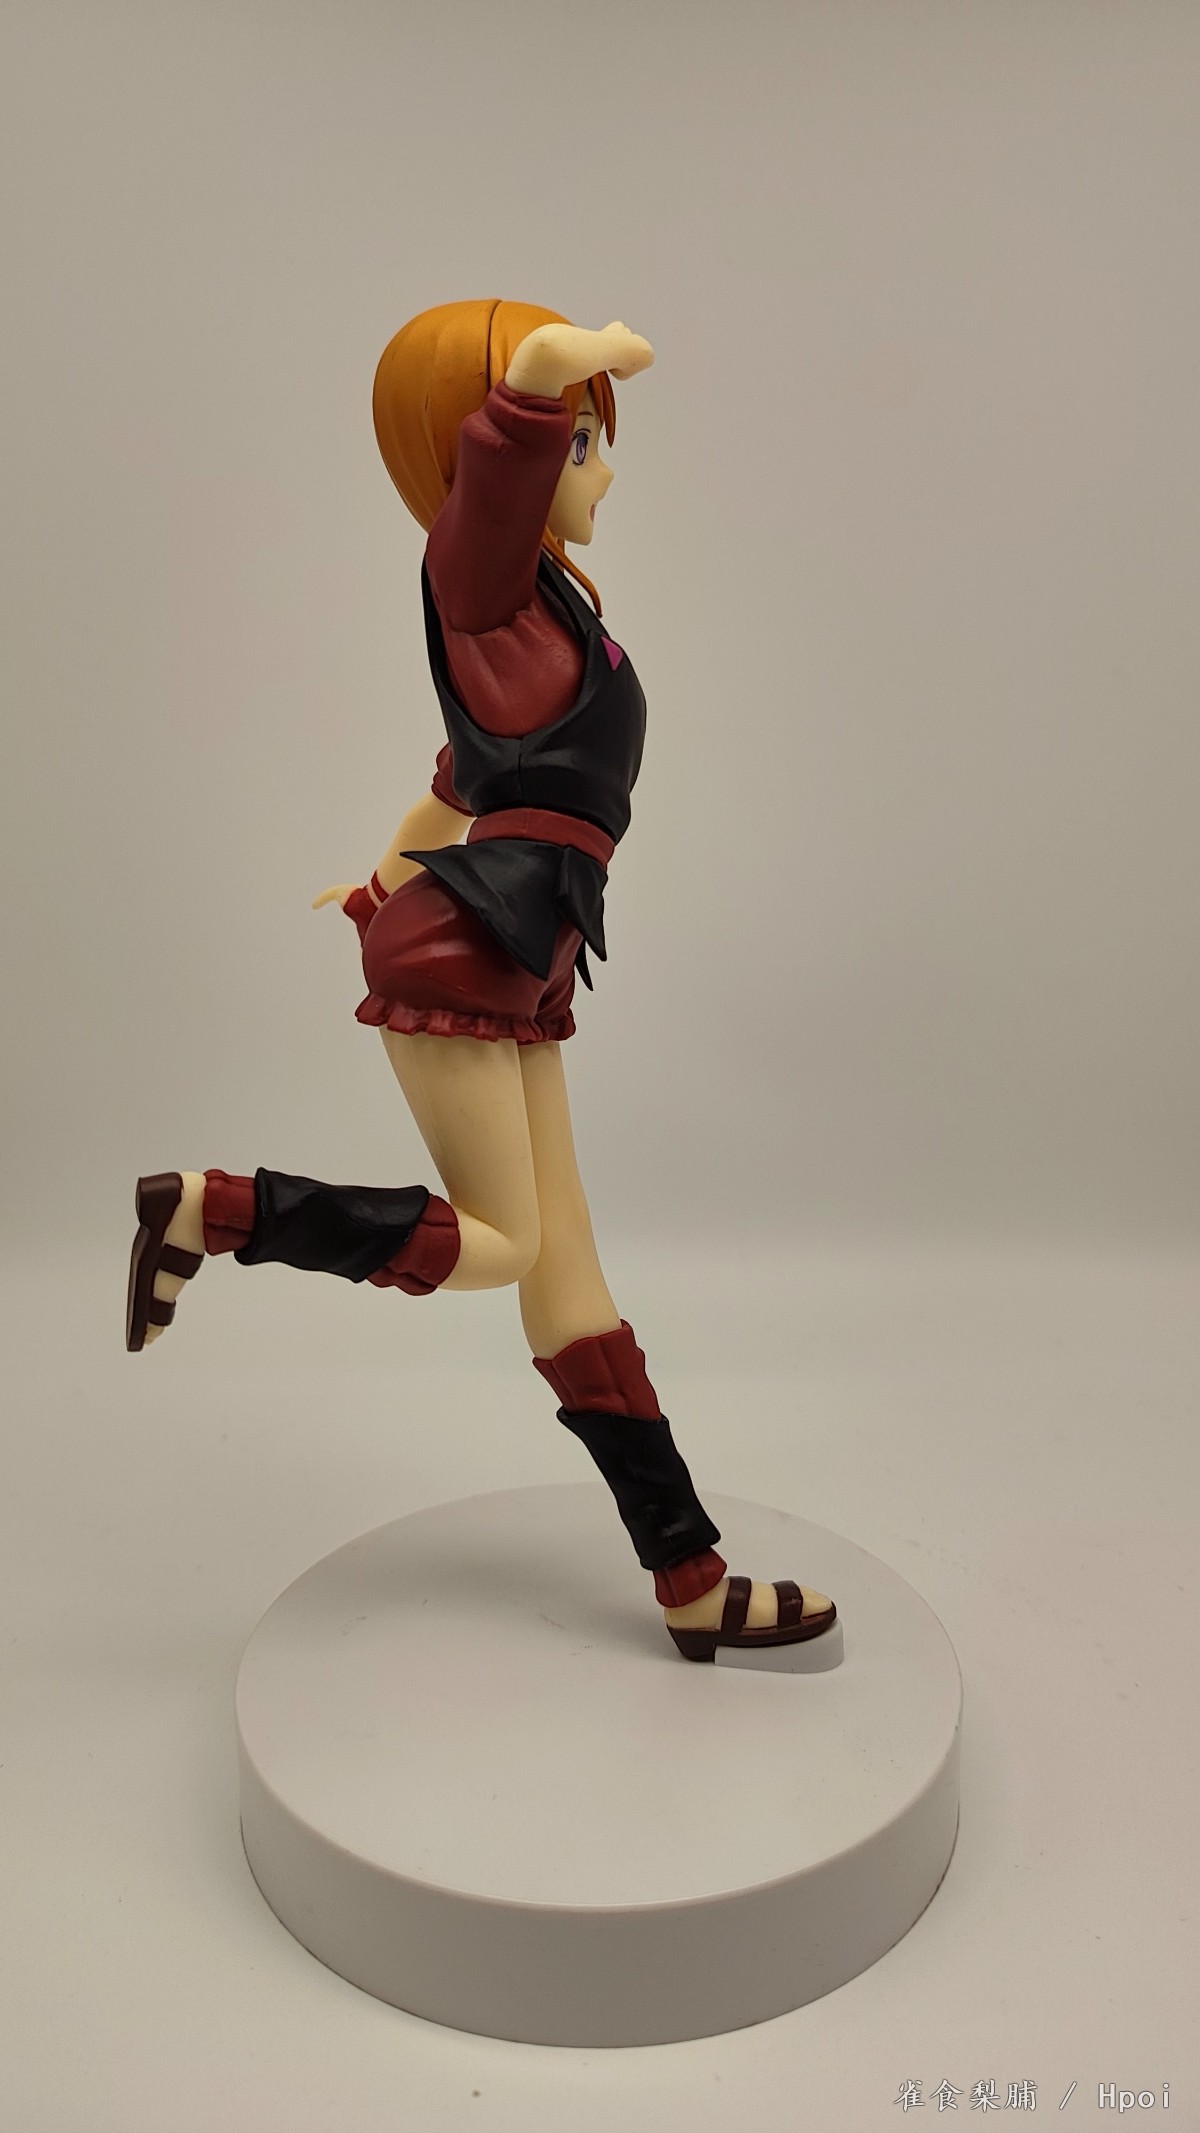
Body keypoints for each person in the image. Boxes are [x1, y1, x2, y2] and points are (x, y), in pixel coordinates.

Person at [126, 299, 838, 1665]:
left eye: (588, 442)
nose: (601, 470)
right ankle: (217, 1211)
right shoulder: (481, 585)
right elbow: (491, 492)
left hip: (518, 957)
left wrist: (374, 880)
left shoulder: (542, 629)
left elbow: (458, 785)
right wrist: (543, 381)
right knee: (504, 1244)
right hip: (469, 955)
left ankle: (689, 1580)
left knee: (570, 1289)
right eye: (580, 445)